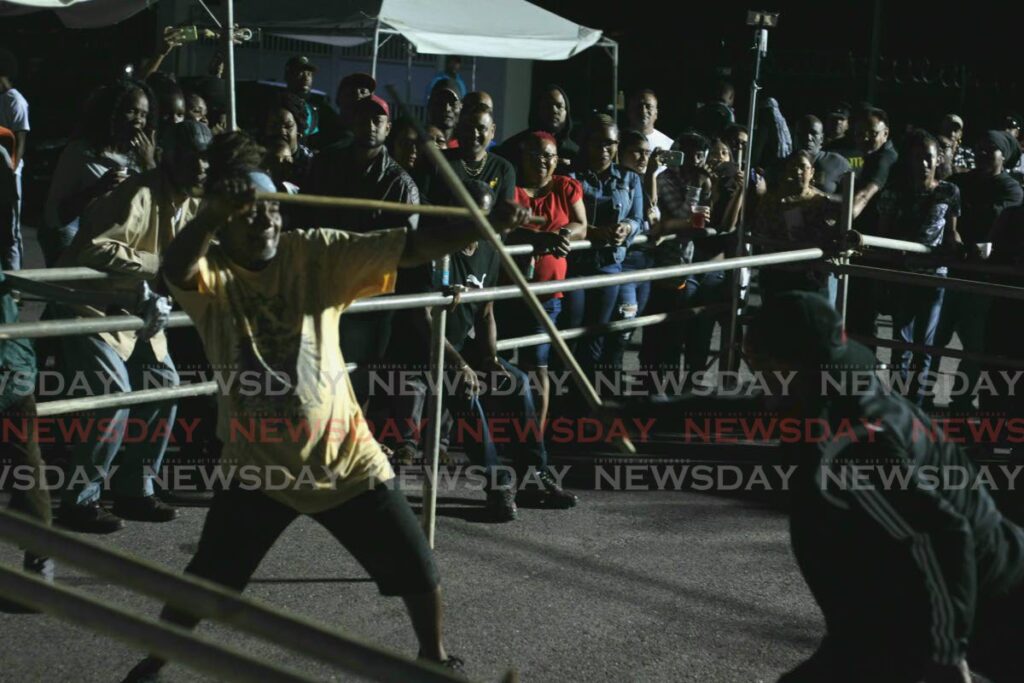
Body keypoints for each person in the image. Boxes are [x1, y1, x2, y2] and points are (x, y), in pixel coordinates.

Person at [118, 132, 534, 681]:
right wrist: (211, 214)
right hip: (259, 465)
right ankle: (154, 662)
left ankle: (433, 657)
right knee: (207, 579)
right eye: (248, 213)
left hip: (346, 457)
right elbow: (174, 269)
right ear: (224, 221)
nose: (265, 220)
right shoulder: (212, 272)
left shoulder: (314, 250)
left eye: (272, 209)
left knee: (418, 566)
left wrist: (485, 226)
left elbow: (410, 247)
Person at [619, 291, 1024, 683]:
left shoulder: (854, 441)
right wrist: (635, 415)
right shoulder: (828, 391)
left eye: (756, 359)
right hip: (895, 605)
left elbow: (942, 535)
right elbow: (739, 406)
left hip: (985, 599)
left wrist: (946, 652)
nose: (752, 370)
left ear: (790, 365)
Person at [51, 121, 211, 533]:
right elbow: (93, 247)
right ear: (169, 155)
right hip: (89, 307)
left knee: (165, 383)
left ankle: (133, 489)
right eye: (192, 157)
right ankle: (79, 501)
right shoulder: (139, 192)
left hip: (138, 311)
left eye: (207, 159)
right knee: (114, 395)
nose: (201, 167)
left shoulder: (192, 205)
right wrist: (157, 267)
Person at [306, 95, 419, 406]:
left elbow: (408, 248)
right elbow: (306, 219)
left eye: (377, 120)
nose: (370, 126)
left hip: (369, 294)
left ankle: (350, 443)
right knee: (316, 372)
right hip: (324, 284)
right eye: (363, 118)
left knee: (355, 380)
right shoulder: (326, 164)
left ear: (387, 128)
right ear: (351, 122)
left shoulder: (401, 183)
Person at [501, 131, 587, 430]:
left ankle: (533, 434)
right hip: (509, 290)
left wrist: (563, 234)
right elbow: (503, 229)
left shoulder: (564, 186)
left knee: (537, 364)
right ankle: (502, 426)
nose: (543, 161)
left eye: (549, 155)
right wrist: (537, 239)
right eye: (536, 154)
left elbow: (581, 225)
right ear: (522, 156)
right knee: (500, 359)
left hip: (547, 294)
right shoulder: (511, 189)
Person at [933, 131, 1023, 410]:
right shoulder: (958, 181)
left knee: (974, 349)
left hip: (980, 278)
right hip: (947, 272)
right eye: (980, 148)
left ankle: (959, 404)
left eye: (990, 150)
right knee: (932, 341)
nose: (982, 154)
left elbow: (994, 224)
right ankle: (918, 396)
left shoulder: (1011, 190)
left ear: (1004, 155)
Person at [877, 130, 961, 405]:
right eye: (917, 158)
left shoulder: (948, 192)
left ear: (938, 160)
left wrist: (960, 247)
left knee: (925, 348)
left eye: (929, 157)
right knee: (901, 347)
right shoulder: (895, 192)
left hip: (935, 277)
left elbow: (951, 233)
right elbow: (884, 233)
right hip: (903, 275)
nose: (923, 163)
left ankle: (919, 407)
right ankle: (898, 407)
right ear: (908, 160)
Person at [43, 79, 158, 266]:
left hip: (130, 250)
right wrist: (95, 191)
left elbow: (161, 203)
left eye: (144, 115)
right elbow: (54, 217)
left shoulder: (142, 156)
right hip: (91, 250)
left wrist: (149, 162)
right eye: (132, 111)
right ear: (112, 113)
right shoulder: (80, 152)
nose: (139, 120)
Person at [564, 114, 644, 381]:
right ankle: (561, 405)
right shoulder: (569, 176)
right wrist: (592, 233)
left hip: (609, 266)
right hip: (574, 267)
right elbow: (562, 219)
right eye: (597, 143)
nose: (603, 150)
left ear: (617, 144)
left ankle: (585, 404)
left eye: (609, 144)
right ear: (585, 143)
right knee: (570, 335)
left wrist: (627, 229)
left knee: (596, 340)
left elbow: (638, 218)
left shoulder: (629, 178)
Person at [0, 269, 55, 612]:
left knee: (28, 466)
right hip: (14, 370)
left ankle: (39, 561)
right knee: (28, 465)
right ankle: (39, 563)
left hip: (10, 369)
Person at [844, 106, 900, 347]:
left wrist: (840, 225)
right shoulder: (867, 156)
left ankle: (862, 377)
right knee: (854, 315)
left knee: (863, 317)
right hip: (865, 244)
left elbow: (866, 195)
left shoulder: (884, 157)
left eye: (871, 133)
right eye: (859, 133)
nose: (865, 138)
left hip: (875, 248)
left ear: (885, 133)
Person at [754, 150, 839, 302]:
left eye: (803, 167)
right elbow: (760, 230)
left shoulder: (820, 202)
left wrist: (810, 236)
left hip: (810, 275)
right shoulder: (772, 200)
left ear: (812, 172)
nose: (797, 171)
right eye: (792, 167)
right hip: (777, 272)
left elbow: (830, 235)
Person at [417, 103, 516, 206]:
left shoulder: (503, 169)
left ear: (492, 131)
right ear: (458, 129)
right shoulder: (436, 161)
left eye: (481, 128)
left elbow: (505, 214)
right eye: (468, 128)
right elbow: (423, 207)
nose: (474, 134)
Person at [494, 85, 579, 174]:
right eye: (547, 106)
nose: (554, 110)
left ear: (567, 112)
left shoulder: (575, 154)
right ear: (537, 110)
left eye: (559, 106)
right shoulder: (514, 146)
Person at [0, 49, 27, 269]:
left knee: (11, 230)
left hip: (9, 173)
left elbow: (20, 139)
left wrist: (12, 170)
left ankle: (16, 286)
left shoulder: (15, 101)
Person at [789, 114, 852, 196]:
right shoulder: (782, 165)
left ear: (822, 138)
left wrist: (823, 197)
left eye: (813, 133)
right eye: (803, 133)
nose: (808, 138)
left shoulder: (838, 163)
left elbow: (851, 199)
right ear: (795, 137)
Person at [626, 89, 674, 164]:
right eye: (638, 106)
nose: (643, 111)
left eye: (648, 106)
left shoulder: (669, 145)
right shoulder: (619, 141)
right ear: (630, 111)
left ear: (656, 113)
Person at [283, 56, 320, 143]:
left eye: (309, 74)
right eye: (301, 72)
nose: (306, 77)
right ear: (288, 76)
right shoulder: (279, 103)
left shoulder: (311, 108)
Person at [426, 83, 462, 148]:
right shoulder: (419, 142)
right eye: (441, 102)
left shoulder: (466, 146)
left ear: (460, 108)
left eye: (452, 103)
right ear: (430, 106)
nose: (446, 108)